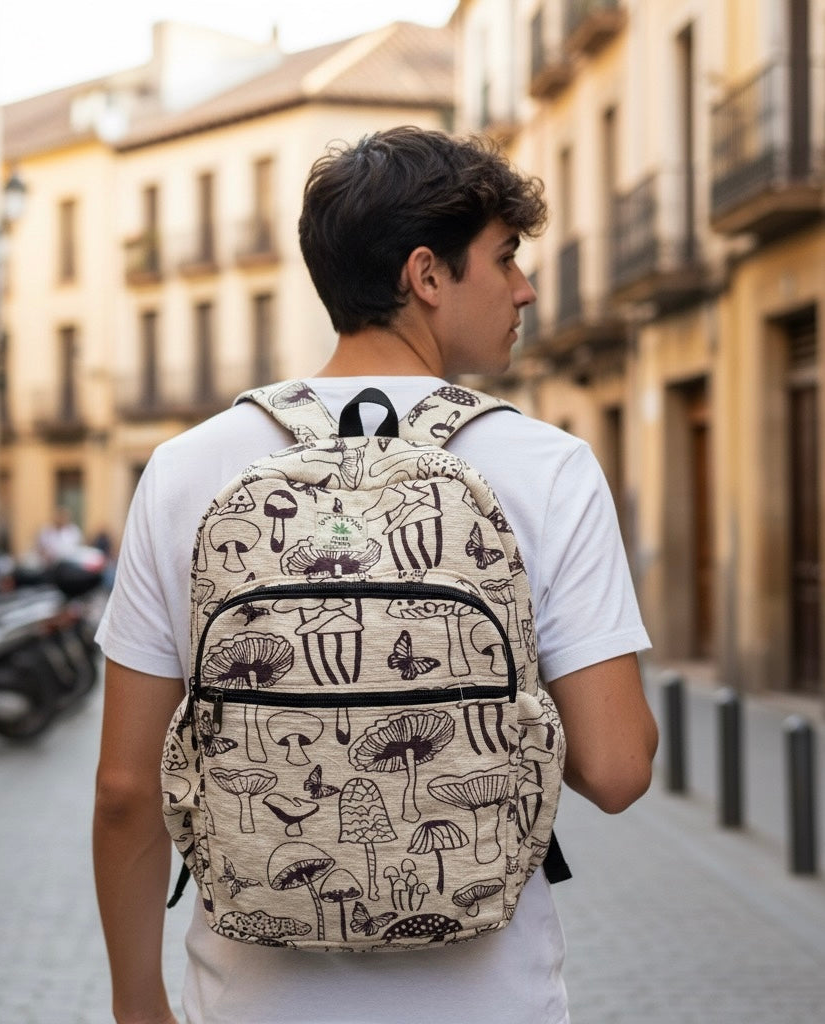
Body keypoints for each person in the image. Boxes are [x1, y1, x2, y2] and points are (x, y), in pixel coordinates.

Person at [93, 126, 658, 1024]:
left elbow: (126, 791)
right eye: (506, 257)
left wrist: (137, 1003)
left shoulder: (188, 467)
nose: (526, 288)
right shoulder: (548, 466)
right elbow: (620, 767)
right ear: (427, 276)